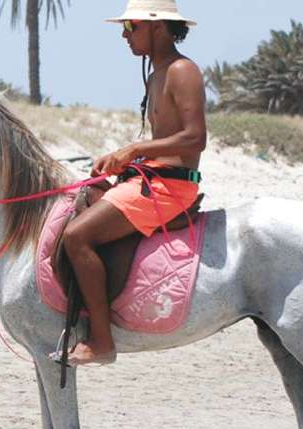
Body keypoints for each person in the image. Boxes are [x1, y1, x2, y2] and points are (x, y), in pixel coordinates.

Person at [60, 0, 206, 366]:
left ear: (157, 27)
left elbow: (195, 139)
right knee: (86, 193)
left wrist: (135, 149)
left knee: (77, 237)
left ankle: (102, 340)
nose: (124, 36)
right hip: (152, 179)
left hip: (171, 188)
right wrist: (122, 161)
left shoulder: (182, 70)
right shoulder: (156, 73)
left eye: (131, 27)